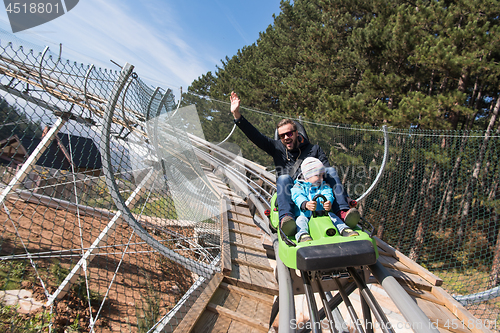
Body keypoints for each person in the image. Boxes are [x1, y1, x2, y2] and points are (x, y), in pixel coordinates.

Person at [229, 91, 360, 236]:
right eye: (282, 136)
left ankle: (342, 211)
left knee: (330, 171)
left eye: (289, 133)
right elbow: (256, 136)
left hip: (316, 188)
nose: (286, 137)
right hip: (293, 190)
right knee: (284, 178)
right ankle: (287, 218)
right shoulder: (277, 148)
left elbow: (327, 171)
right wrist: (237, 115)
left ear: (297, 133)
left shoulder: (314, 149)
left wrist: (345, 196)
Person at [291, 157, 359, 242]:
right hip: (305, 215)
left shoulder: (323, 185)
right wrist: (305, 204)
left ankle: (344, 228)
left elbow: (328, 192)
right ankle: (302, 234)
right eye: (317, 175)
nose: (321, 178)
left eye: (322, 175)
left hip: (322, 214)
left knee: (333, 216)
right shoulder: (299, 186)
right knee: (300, 221)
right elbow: (297, 196)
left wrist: (327, 201)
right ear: (307, 175)